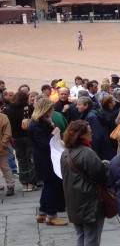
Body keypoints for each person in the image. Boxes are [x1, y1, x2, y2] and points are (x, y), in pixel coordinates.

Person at [61, 120, 110, 246]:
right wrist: (106, 165)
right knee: (91, 236)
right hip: (89, 200)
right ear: (81, 135)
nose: (92, 134)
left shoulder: (65, 152)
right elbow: (100, 174)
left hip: (73, 199)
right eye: (89, 132)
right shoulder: (87, 153)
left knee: (81, 235)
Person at [30, 96, 67, 226]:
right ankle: (51, 215)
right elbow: (44, 144)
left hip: (46, 158)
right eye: (51, 108)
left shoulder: (43, 121)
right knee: (52, 185)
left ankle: (42, 212)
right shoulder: (36, 124)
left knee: (48, 185)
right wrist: (54, 133)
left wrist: (52, 125)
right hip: (45, 159)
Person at [0, 111, 15, 196]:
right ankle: (10, 186)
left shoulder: (3, 117)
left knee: (5, 167)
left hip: (1, 147)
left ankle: (10, 186)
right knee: (5, 167)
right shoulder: (4, 117)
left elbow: (7, 133)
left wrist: (2, 144)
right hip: (2, 146)